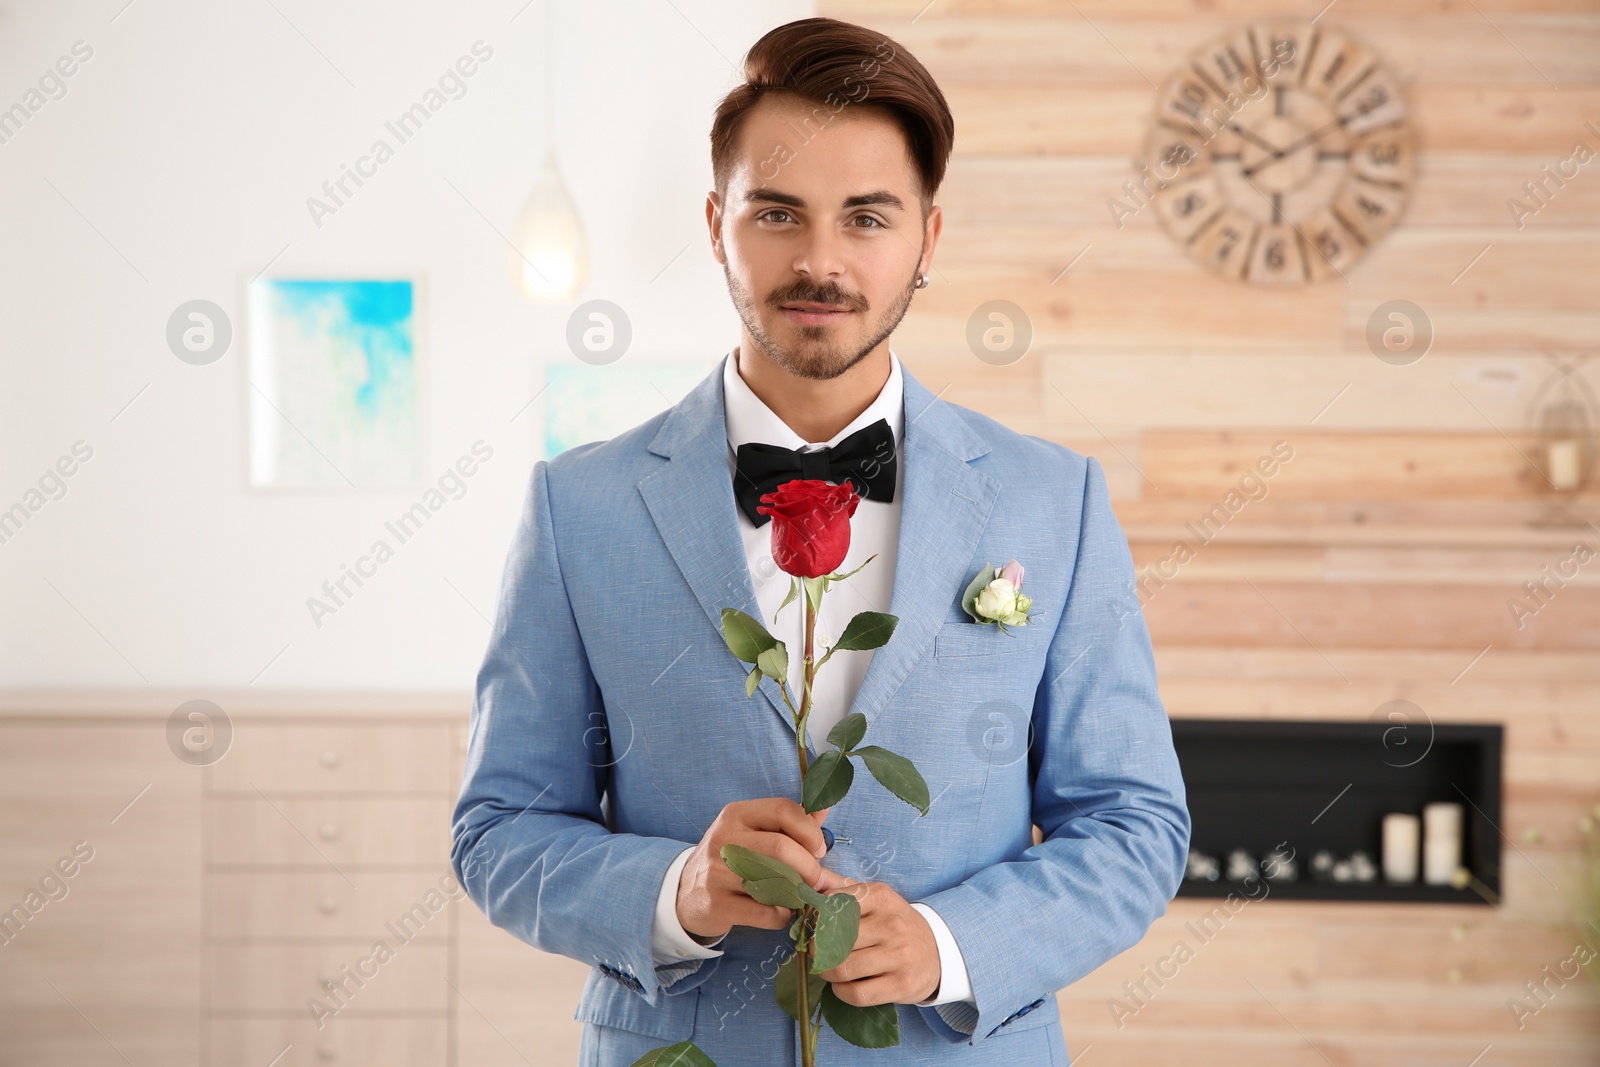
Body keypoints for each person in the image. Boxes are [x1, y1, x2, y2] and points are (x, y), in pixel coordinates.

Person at [451, 16, 1189, 1066]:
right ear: (716, 225)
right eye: (776, 213)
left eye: (867, 218)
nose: (818, 260)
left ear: (929, 238)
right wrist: (677, 890)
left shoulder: (1051, 501)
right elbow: (498, 828)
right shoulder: (581, 505)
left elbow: (1134, 824)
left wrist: (947, 944)